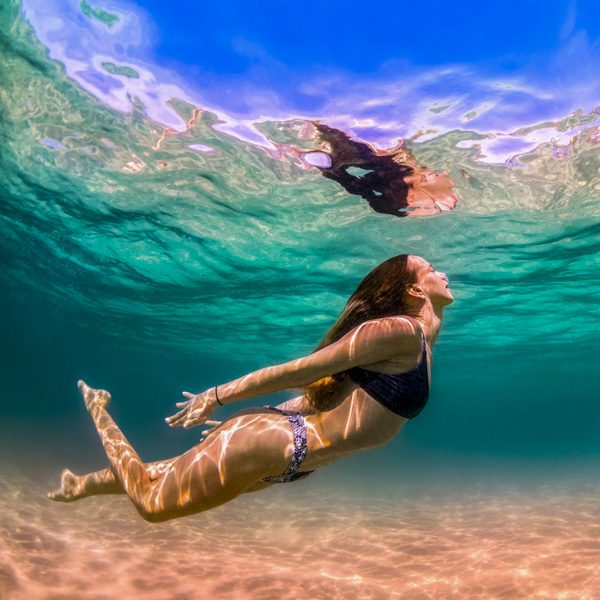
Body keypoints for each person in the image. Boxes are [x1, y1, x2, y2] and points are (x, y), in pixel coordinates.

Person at [48, 254, 453, 522]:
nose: (444, 273)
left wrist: (261, 422)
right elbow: (301, 371)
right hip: (276, 446)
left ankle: (79, 486)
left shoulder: (418, 340)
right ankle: (98, 408)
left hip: (287, 454)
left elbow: (335, 396)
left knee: (164, 473)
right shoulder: (400, 331)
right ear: (415, 290)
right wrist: (219, 398)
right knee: (153, 507)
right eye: (432, 270)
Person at [302, 123, 458, 217]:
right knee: (341, 148)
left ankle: (330, 164)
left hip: (386, 163)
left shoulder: (434, 191)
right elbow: (380, 204)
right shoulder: (435, 192)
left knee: (338, 142)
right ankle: (330, 165)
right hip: (385, 165)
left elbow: (380, 204)